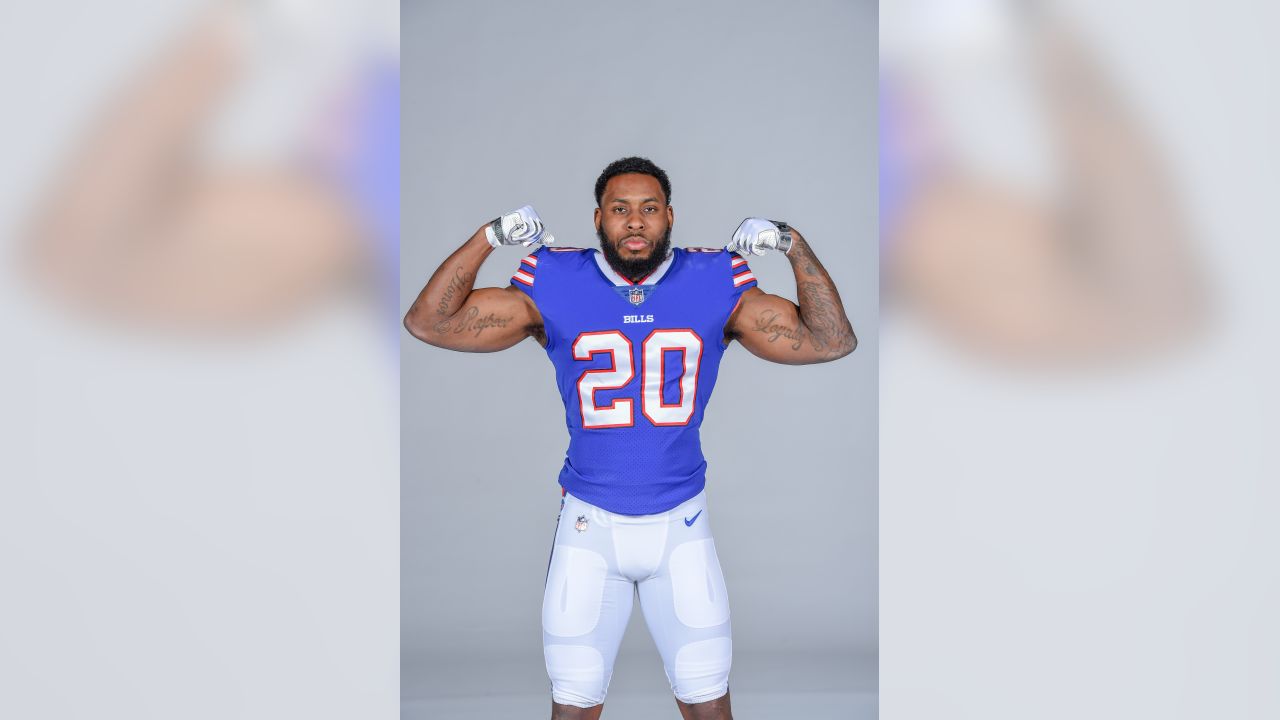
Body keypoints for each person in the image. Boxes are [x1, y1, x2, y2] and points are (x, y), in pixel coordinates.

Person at [403, 157, 857, 720]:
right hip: (589, 528)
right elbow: (430, 323)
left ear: (670, 217)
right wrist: (489, 237)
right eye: (620, 210)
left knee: (710, 707)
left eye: (648, 209)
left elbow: (832, 340)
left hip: (681, 526)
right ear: (598, 218)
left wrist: (792, 244)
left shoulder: (715, 279)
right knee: (573, 708)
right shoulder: (555, 278)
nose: (635, 222)